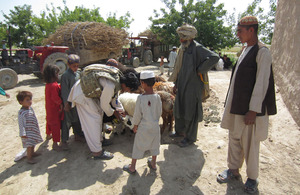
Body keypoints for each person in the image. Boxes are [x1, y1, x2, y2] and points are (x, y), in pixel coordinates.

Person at [216, 16, 277, 194]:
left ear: (252, 30)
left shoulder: (262, 52)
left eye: (240, 30)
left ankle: (252, 178)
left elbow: (262, 83)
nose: (237, 34)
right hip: (237, 106)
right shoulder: (245, 50)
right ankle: (233, 169)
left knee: (250, 143)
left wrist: (253, 110)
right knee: (234, 138)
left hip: (250, 110)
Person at [168, 24, 219, 147]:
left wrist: (200, 69)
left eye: (183, 37)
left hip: (193, 86)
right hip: (181, 84)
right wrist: (175, 84)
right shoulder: (183, 48)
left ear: (189, 37)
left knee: (191, 111)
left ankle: (190, 138)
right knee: (179, 108)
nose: (180, 40)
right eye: (180, 37)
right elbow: (179, 68)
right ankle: (180, 131)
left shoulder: (197, 48)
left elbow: (214, 57)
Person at [68, 59, 124, 160]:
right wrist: (114, 112)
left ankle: (100, 141)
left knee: (99, 115)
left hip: (89, 93)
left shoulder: (115, 80)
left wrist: (121, 109)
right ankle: (97, 152)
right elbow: (105, 104)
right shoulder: (111, 84)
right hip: (82, 95)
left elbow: (114, 98)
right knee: (93, 120)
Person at [123, 71, 162, 174]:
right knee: (155, 145)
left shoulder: (140, 98)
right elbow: (159, 112)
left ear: (143, 83)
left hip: (143, 127)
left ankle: (132, 167)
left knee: (138, 146)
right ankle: (153, 163)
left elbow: (137, 114)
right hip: (154, 126)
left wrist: (135, 126)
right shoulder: (157, 97)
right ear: (153, 83)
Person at [60, 54, 85, 150]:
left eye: (77, 66)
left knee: (77, 119)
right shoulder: (65, 76)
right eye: (74, 66)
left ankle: (77, 135)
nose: (76, 68)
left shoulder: (78, 73)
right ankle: (64, 141)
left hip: (76, 101)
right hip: (69, 102)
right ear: (68, 65)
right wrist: (66, 103)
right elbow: (65, 90)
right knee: (67, 122)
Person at [16, 91, 43, 164]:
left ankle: (32, 153)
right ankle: (29, 158)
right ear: (21, 102)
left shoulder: (30, 109)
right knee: (29, 145)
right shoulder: (21, 113)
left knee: (33, 143)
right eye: (27, 100)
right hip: (27, 133)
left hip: (33, 130)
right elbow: (21, 124)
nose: (30, 101)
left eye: (30, 99)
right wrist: (23, 133)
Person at [43, 64, 63, 151]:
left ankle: (48, 134)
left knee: (49, 121)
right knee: (56, 125)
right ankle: (55, 143)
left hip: (49, 107)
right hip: (54, 109)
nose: (58, 75)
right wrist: (61, 103)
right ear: (54, 74)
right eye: (57, 74)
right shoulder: (54, 86)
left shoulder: (48, 85)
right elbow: (55, 98)